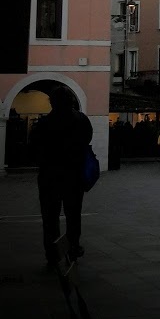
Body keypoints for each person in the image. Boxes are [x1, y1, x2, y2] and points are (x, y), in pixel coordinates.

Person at [30, 85, 93, 266]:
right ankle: (73, 247)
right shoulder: (81, 120)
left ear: (52, 102)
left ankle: (52, 254)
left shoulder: (43, 124)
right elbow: (87, 140)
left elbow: (34, 149)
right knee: (73, 214)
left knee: (50, 218)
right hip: (74, 175)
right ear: (71, 101)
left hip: (50, 176)